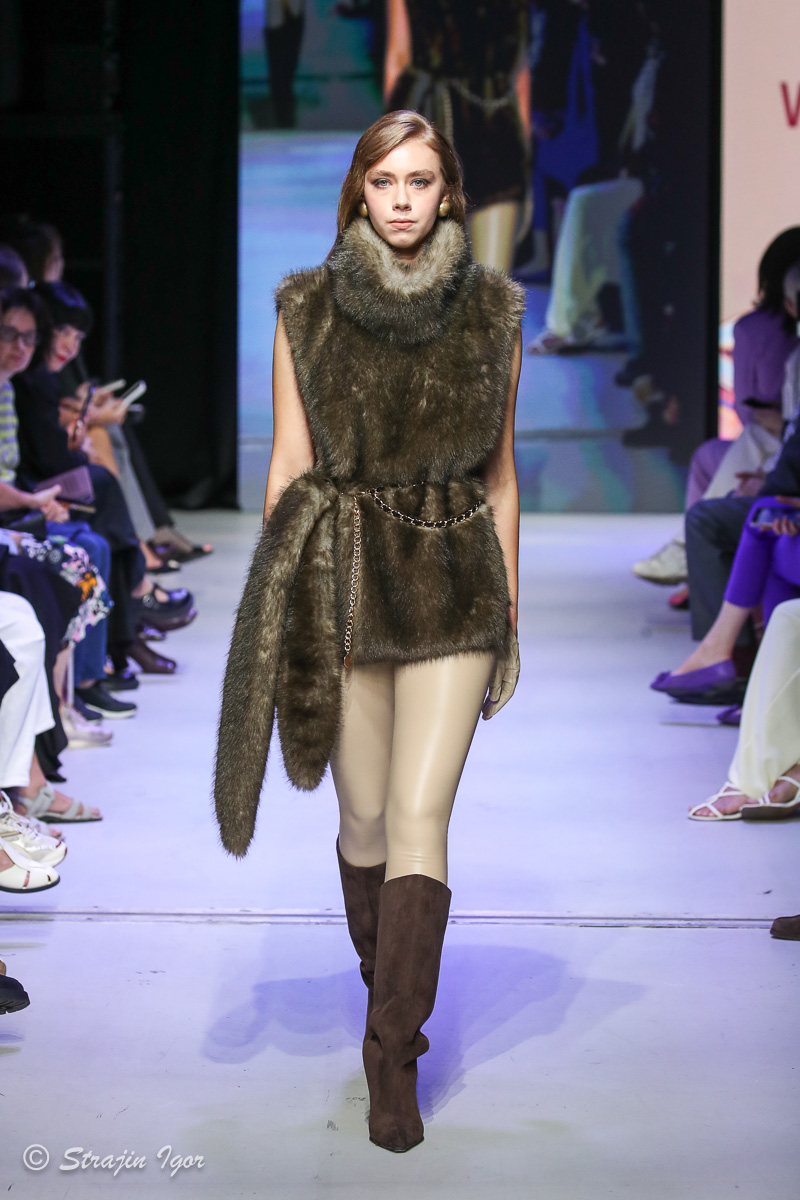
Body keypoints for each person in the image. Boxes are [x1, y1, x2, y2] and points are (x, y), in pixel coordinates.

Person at [214, 111, 522, 1152]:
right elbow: (287, 469)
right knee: (365, 823)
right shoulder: (304, 308)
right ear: (357, 191)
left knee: (421, 814)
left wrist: (510, 615)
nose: (401, 199)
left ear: (448, 193)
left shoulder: (493, 312)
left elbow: (500, 479)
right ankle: (382, 978)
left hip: (453, 575)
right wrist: (281, 608)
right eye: (384, 181)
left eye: (419, 181)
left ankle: (392, 1054)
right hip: (341, 578)